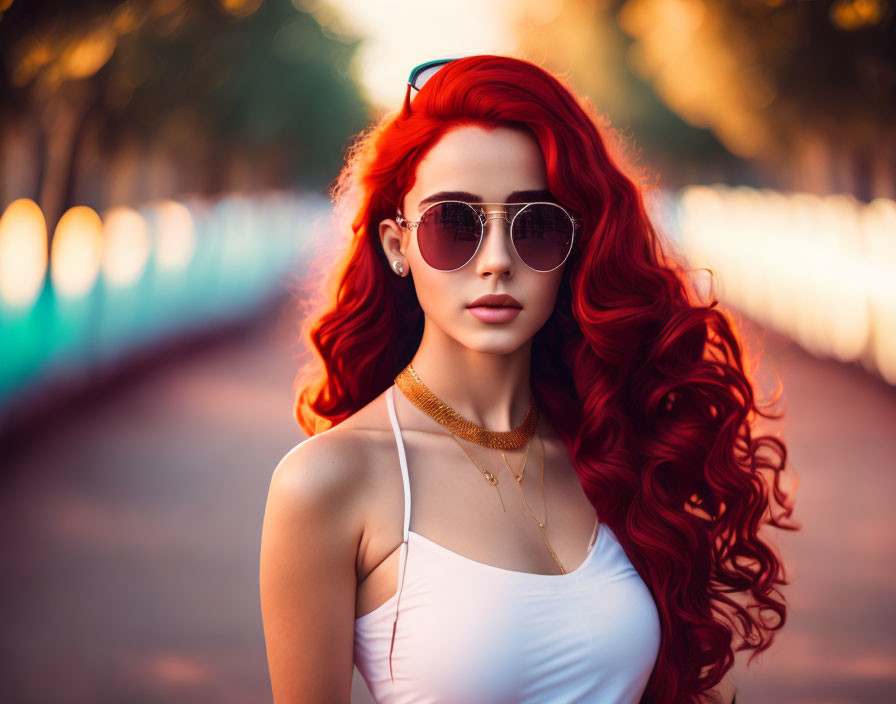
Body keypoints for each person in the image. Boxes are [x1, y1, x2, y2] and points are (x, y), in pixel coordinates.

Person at [259, 55, 796, 703]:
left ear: (578, 247)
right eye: (453, 224)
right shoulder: (328, 482)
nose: (495, 262)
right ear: (398, 245)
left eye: (535, 226)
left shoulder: (618, 445)